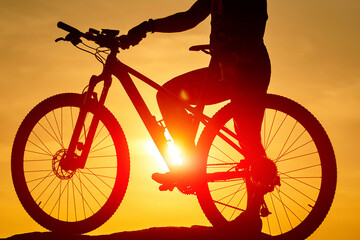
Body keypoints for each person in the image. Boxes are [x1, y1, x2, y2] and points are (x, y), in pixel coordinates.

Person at [121, 0, 275, 230]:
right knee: (168, 95)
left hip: (250, 67)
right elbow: (189, 17)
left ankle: (253, 213)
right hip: (223, 68)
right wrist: (149, 26)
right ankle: (191, 166)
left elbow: (258, 16)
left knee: (247, 136)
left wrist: (242, 58)